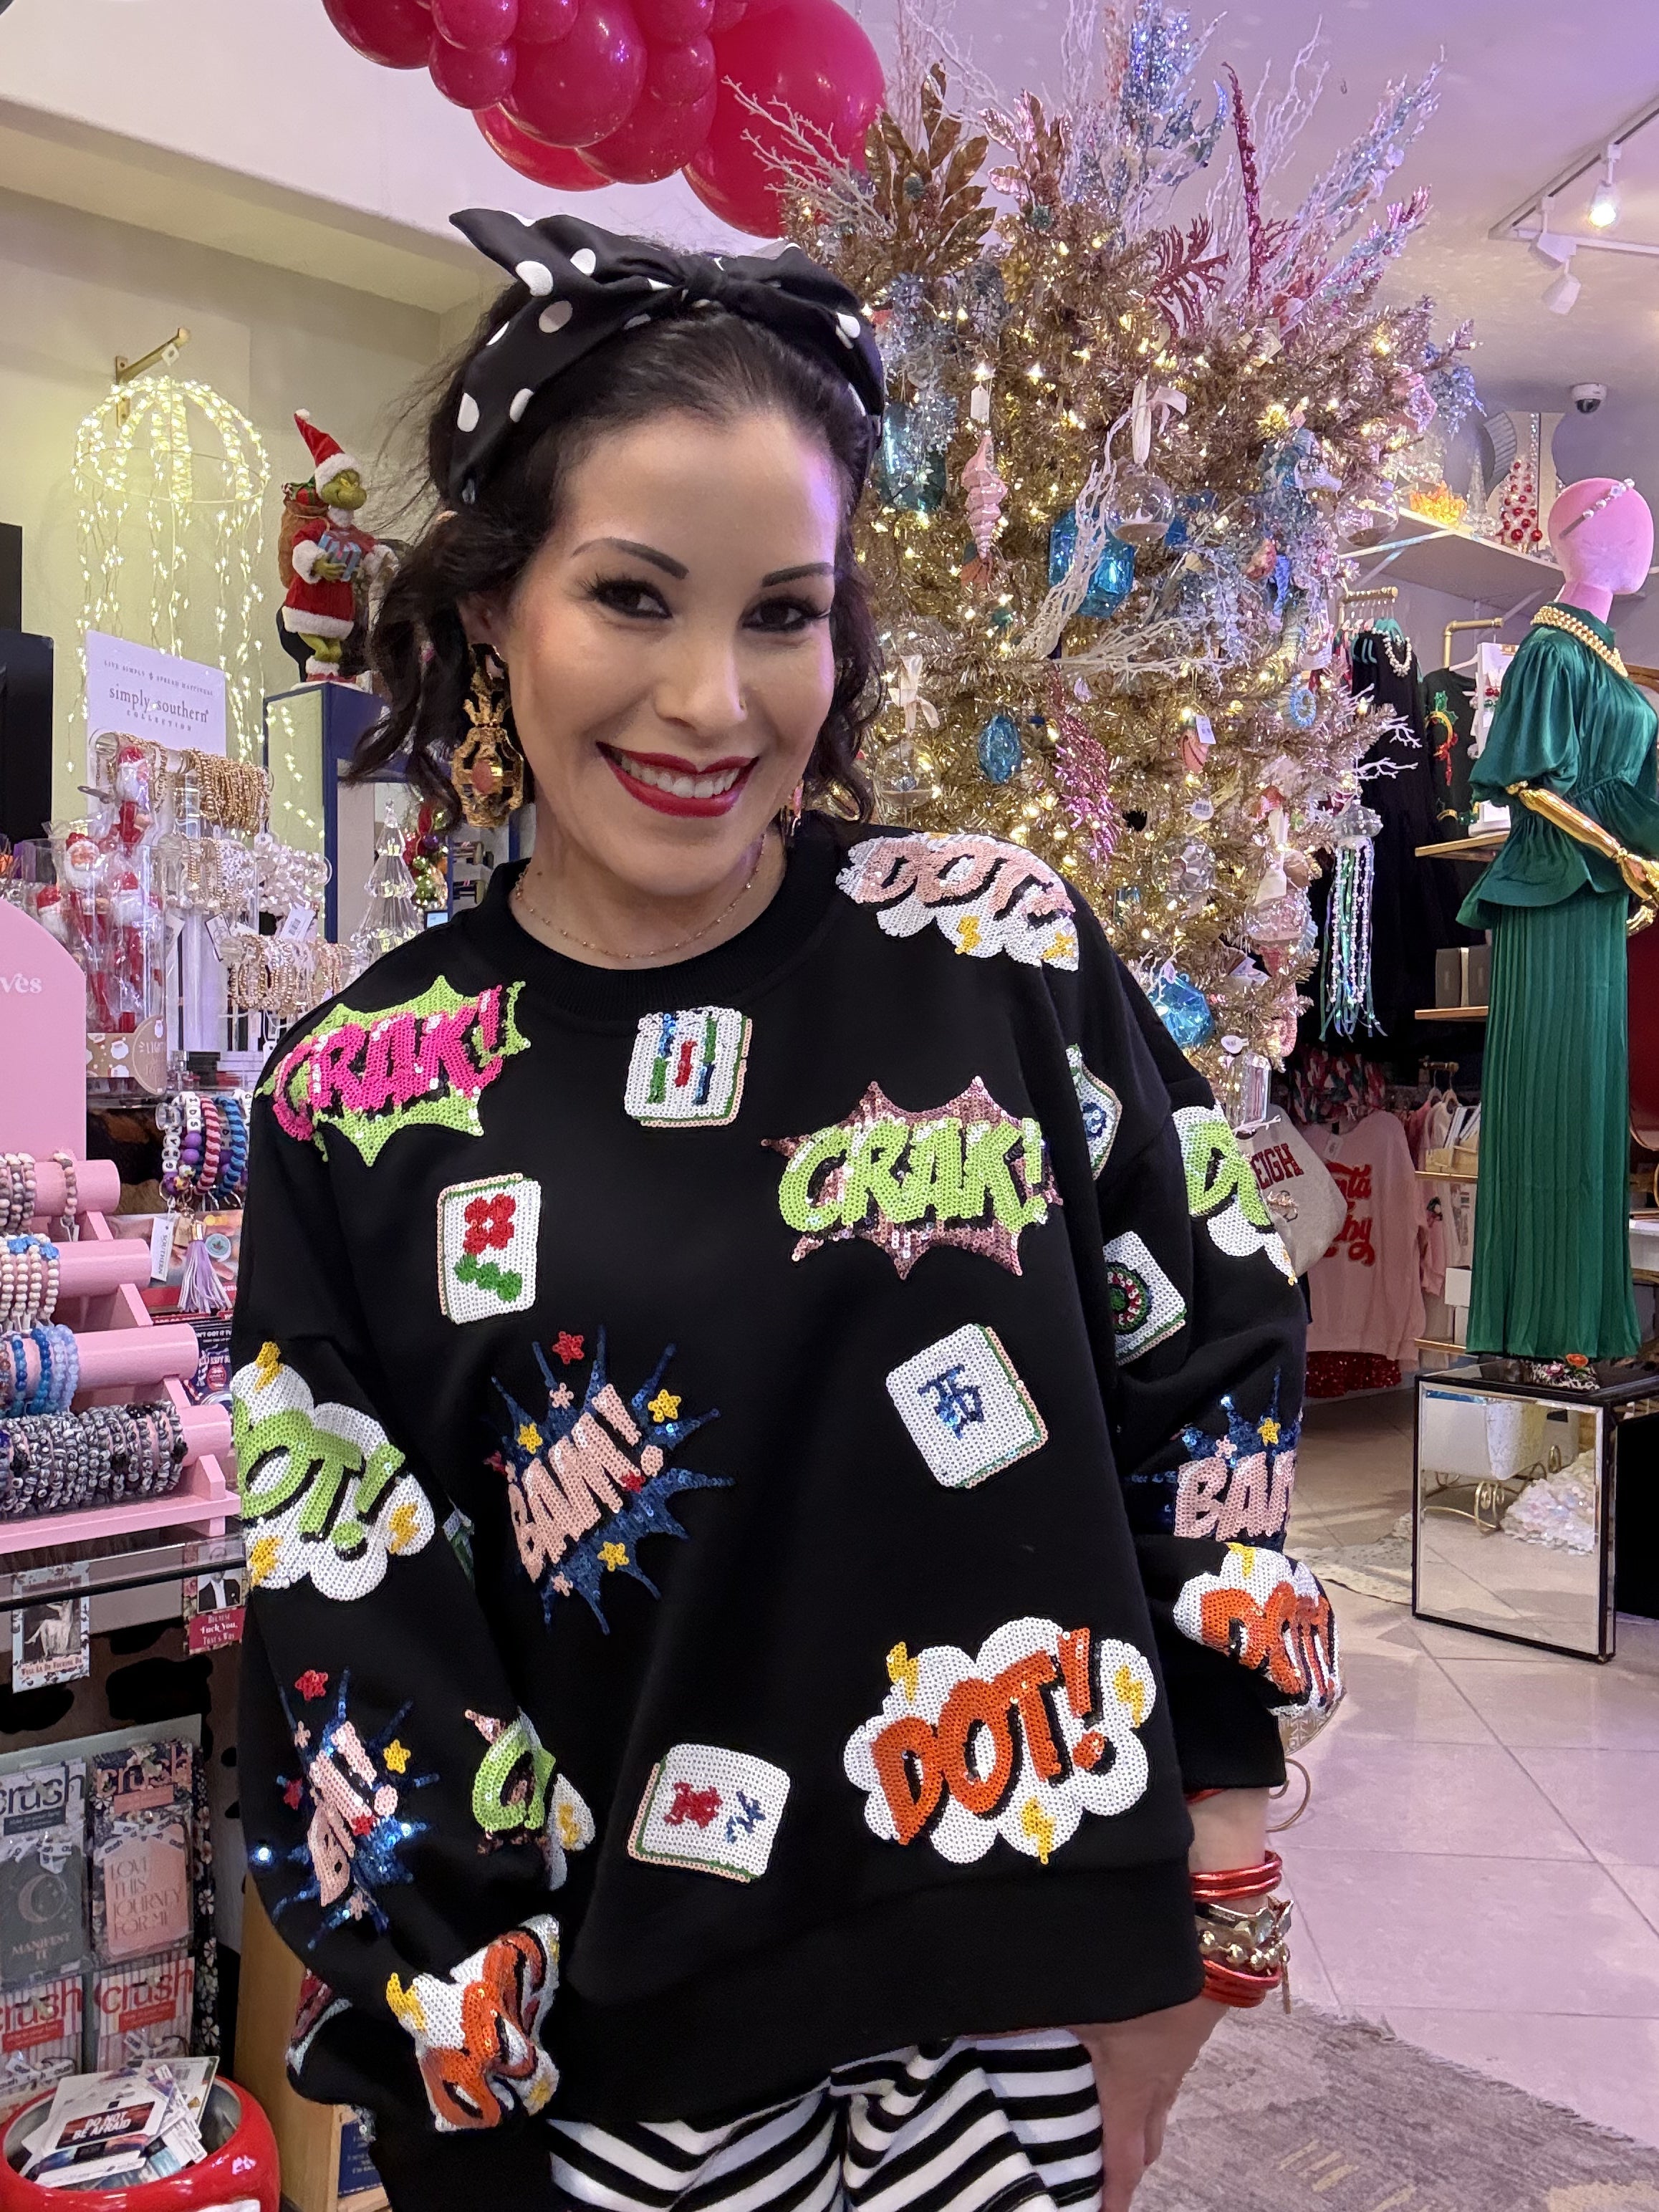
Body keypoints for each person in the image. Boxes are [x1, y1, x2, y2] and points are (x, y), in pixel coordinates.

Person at [231, 213, 1339, 2212]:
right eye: (630, 596)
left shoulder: (994, 954)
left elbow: (1213, 1364)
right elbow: (350, 1628)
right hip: (597, 2083)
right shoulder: (359, 1092)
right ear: (493, 610)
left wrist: (1212, 1891)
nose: (709, 698)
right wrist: (455, 2031)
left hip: (1011, 2017)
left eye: (783, 615)